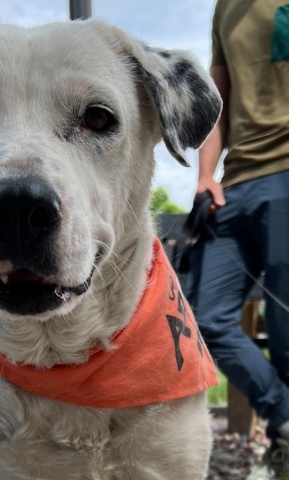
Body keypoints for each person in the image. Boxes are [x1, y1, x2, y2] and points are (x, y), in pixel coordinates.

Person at [184, 0, 289, 478]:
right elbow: (218, 100)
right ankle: (284, 416)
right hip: (235, 185)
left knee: (286, 333)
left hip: (286, 181)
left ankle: (282, 447)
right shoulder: (225, 8)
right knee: (205, 318)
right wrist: (205, 175)